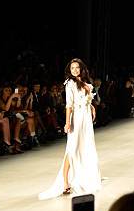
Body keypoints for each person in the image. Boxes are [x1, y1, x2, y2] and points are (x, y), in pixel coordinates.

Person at [39, 58, 101, 199]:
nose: (74, 70)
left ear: (81, 69)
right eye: (72, 68)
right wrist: (67, 122)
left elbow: (86, 98)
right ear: (69, 70)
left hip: (86, 118)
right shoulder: (70, 83)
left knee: (85, 146)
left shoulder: (84, 82)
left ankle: (85, 176)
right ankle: (65, 182)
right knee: (71, 148)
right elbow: (69, 105)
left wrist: (91, 107)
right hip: (77, 118)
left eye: (77, 67)